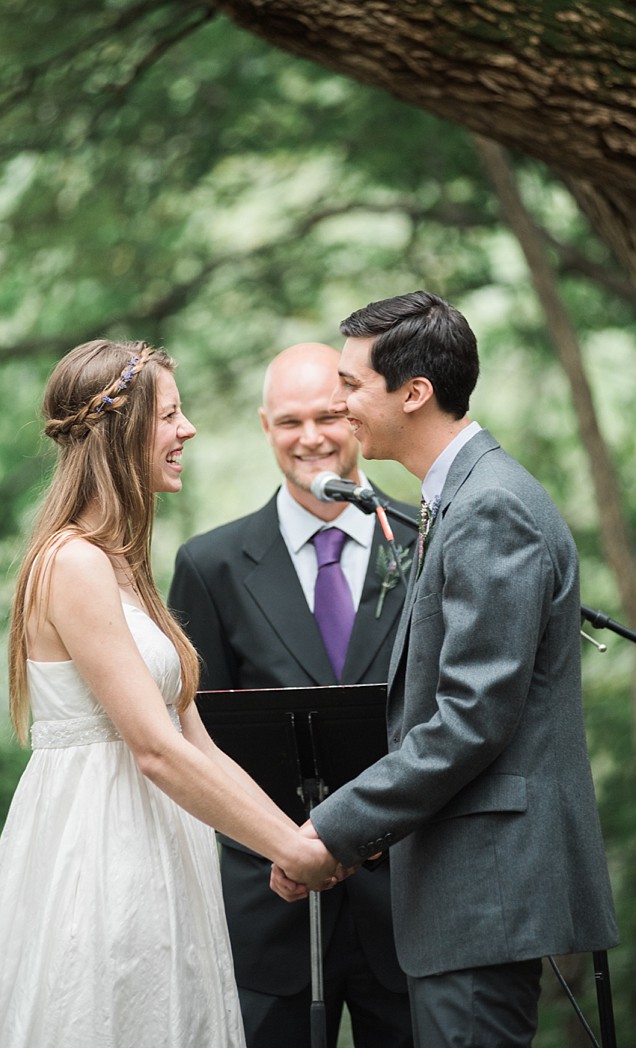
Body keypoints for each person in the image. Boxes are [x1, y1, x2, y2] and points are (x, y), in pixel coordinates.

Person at [0, 339, 338, 1048]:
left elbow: (197, 744)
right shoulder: (70, 563)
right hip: (98, 854)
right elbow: (155, 751)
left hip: (160, 848)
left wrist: (294, 841)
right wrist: (291, 846)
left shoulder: (123, 565)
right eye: (170, 416)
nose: (186, 431)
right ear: (121, 429)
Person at [271, 293, 620, 1048]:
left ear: (414, 392)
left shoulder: (492, 508)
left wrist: (330, 831)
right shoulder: (458, 499)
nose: (338, 406)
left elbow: (470, 721)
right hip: (465, 898)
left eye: (352, 385)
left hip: (484, 894)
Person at [168, 342, 418, 1048]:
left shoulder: (427, 541)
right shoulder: (209, 565)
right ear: (264, 425)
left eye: (328, 416)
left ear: (357, 418)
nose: (310, 438)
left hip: (407, 903)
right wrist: (279, 848)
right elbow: (197, 742)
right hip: (268, 908)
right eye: (289, 422)